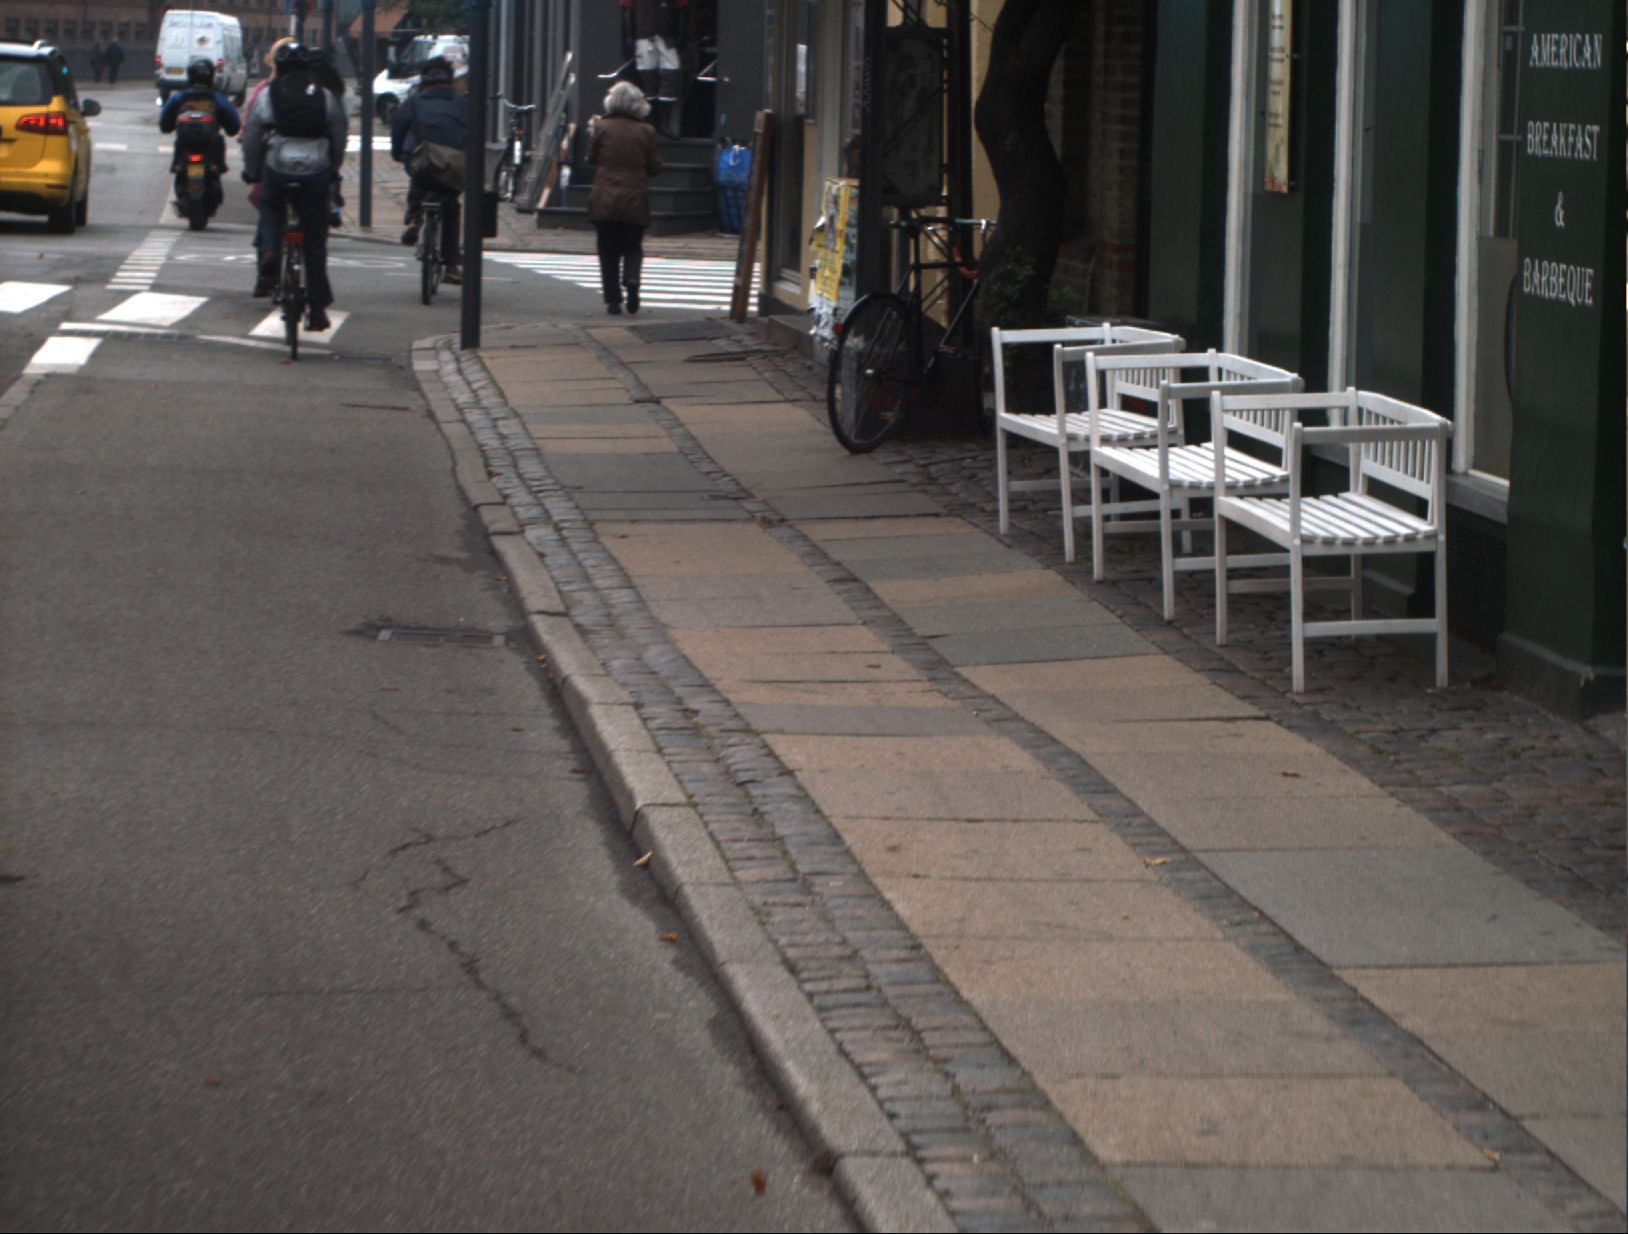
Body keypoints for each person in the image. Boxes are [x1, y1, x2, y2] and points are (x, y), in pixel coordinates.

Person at [241, 42, 347, 329]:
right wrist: (333, 169)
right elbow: (338, 133)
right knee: (315, 240)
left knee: (270, 206)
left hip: (278, 165)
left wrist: (252, 171)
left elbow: (252, 135)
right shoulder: (323, 95)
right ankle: (318, 309)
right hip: (316, 170)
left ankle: (269, 252)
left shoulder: (268, 94)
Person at [586, 80, 660, 315]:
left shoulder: (602, 126)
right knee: (633, 245)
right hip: (634, 196)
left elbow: (591, 158)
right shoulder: (647, 130)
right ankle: (632, 278)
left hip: (605, 196)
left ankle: (613, 301)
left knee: (607, 248)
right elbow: (655, 167)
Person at [390, 55, 466, 284]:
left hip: (420, 159)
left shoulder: (413, 101)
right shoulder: (462, 102)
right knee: (451, 205)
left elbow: (398, 129)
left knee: (419, 174)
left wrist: (398, 154)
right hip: (452, 163)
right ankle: (451, 265)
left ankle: (415, 217)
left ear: (424, 78)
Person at [160, 58, 242, 178]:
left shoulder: (179, 97)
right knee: (219, 141)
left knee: (179, 143)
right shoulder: (217, 97)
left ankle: (177, 165)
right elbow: (234, 121)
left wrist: (168, 126)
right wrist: (231, 128)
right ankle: (219, 166)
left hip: (185, 142)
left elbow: (165, 121)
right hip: (210, 144)